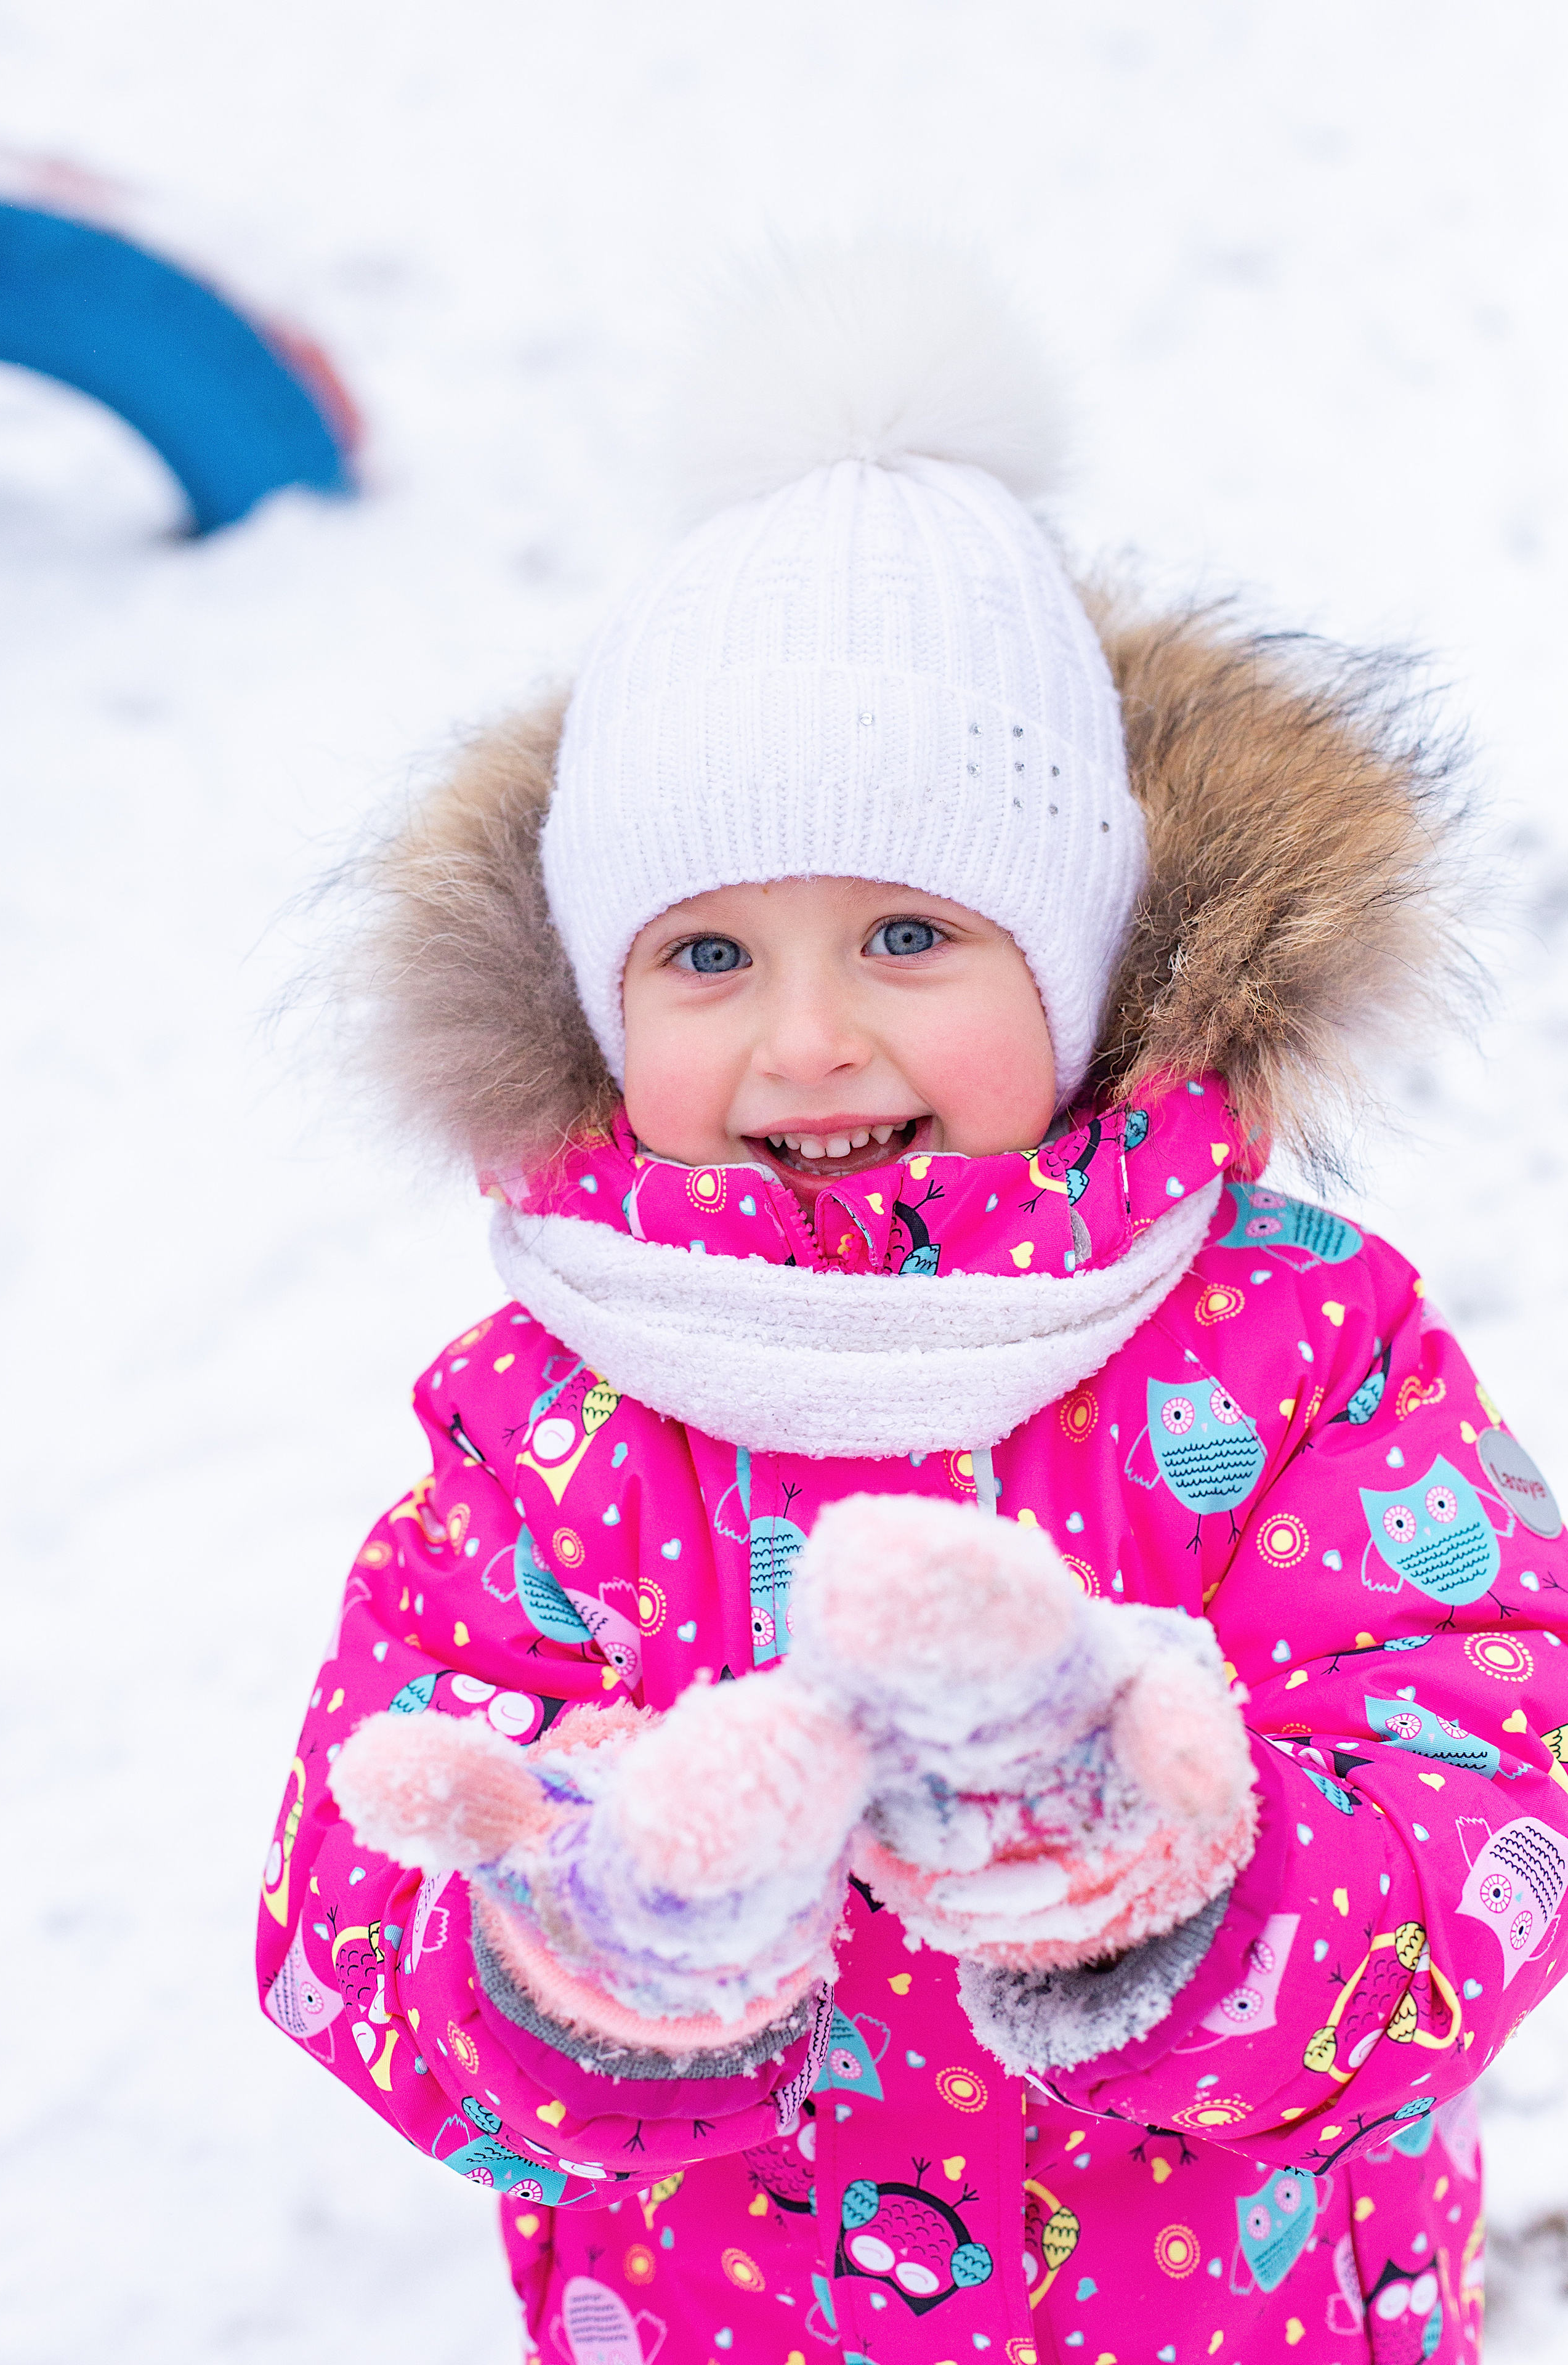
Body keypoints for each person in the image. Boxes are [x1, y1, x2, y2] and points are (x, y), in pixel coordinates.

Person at [259, 248, 1567, 2364]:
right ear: (601, 994)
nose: (806, 1045)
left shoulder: (1296, 1342)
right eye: (706, 958)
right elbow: (353, 1903)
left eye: (903, 934)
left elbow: (1488, 1785)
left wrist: (1180, 1892)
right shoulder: (548, 1421)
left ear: (1073, 952)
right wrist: (575, 1954)